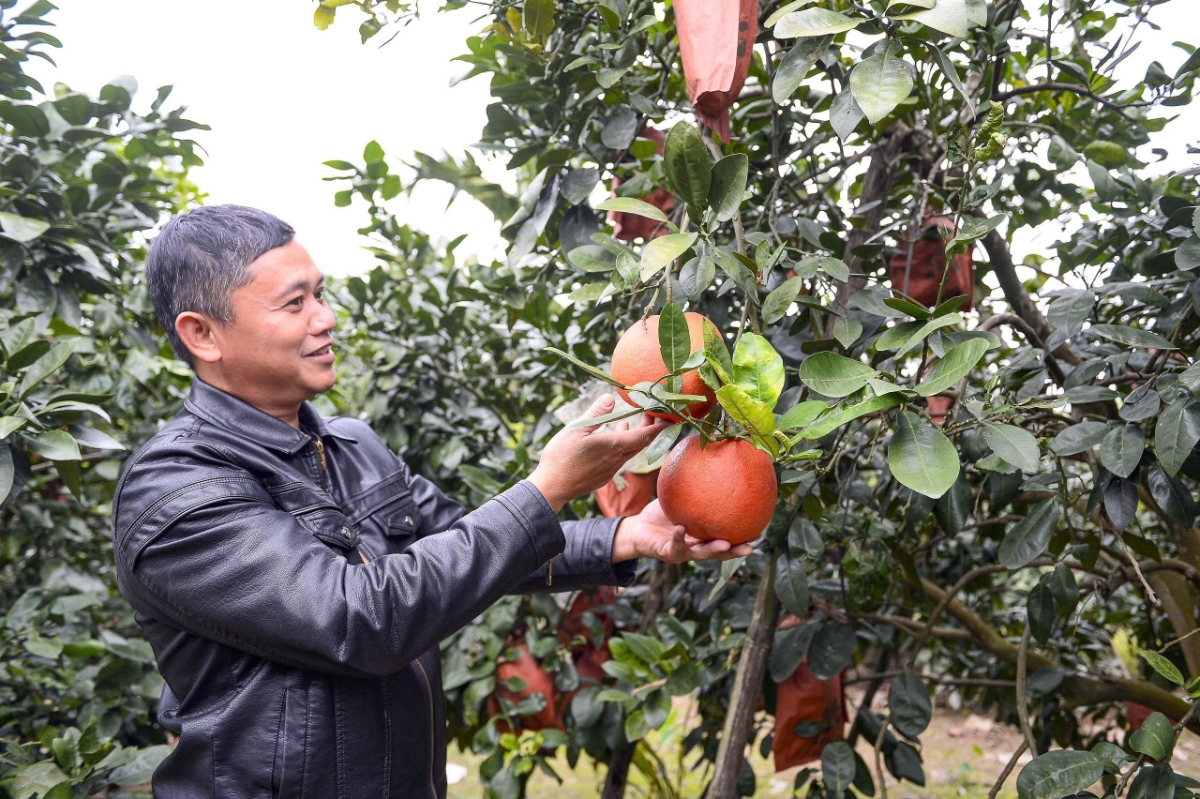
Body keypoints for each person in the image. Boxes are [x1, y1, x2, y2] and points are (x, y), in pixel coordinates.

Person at [111, 205, 753, 799]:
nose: (325, 318)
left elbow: (463, 547)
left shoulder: (352, 445)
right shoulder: (175, 488)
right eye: (294, 303)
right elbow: (356, 621)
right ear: (203, 334)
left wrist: (626, 536)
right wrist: (549, 485)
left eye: (321, 293)